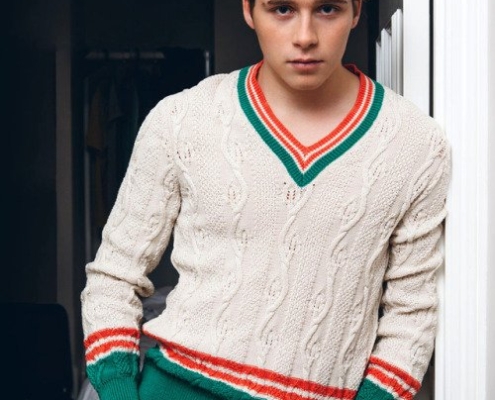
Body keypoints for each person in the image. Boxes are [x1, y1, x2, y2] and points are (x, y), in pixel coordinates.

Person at [81, 0, 451, 399]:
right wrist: (118, 390)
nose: (305, 37)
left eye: (328, 9)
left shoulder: (416, 145)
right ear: (248, 10)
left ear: (357, 10)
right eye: (282, 9)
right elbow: (114, 275)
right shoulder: (181, 120)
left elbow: (411, 316)